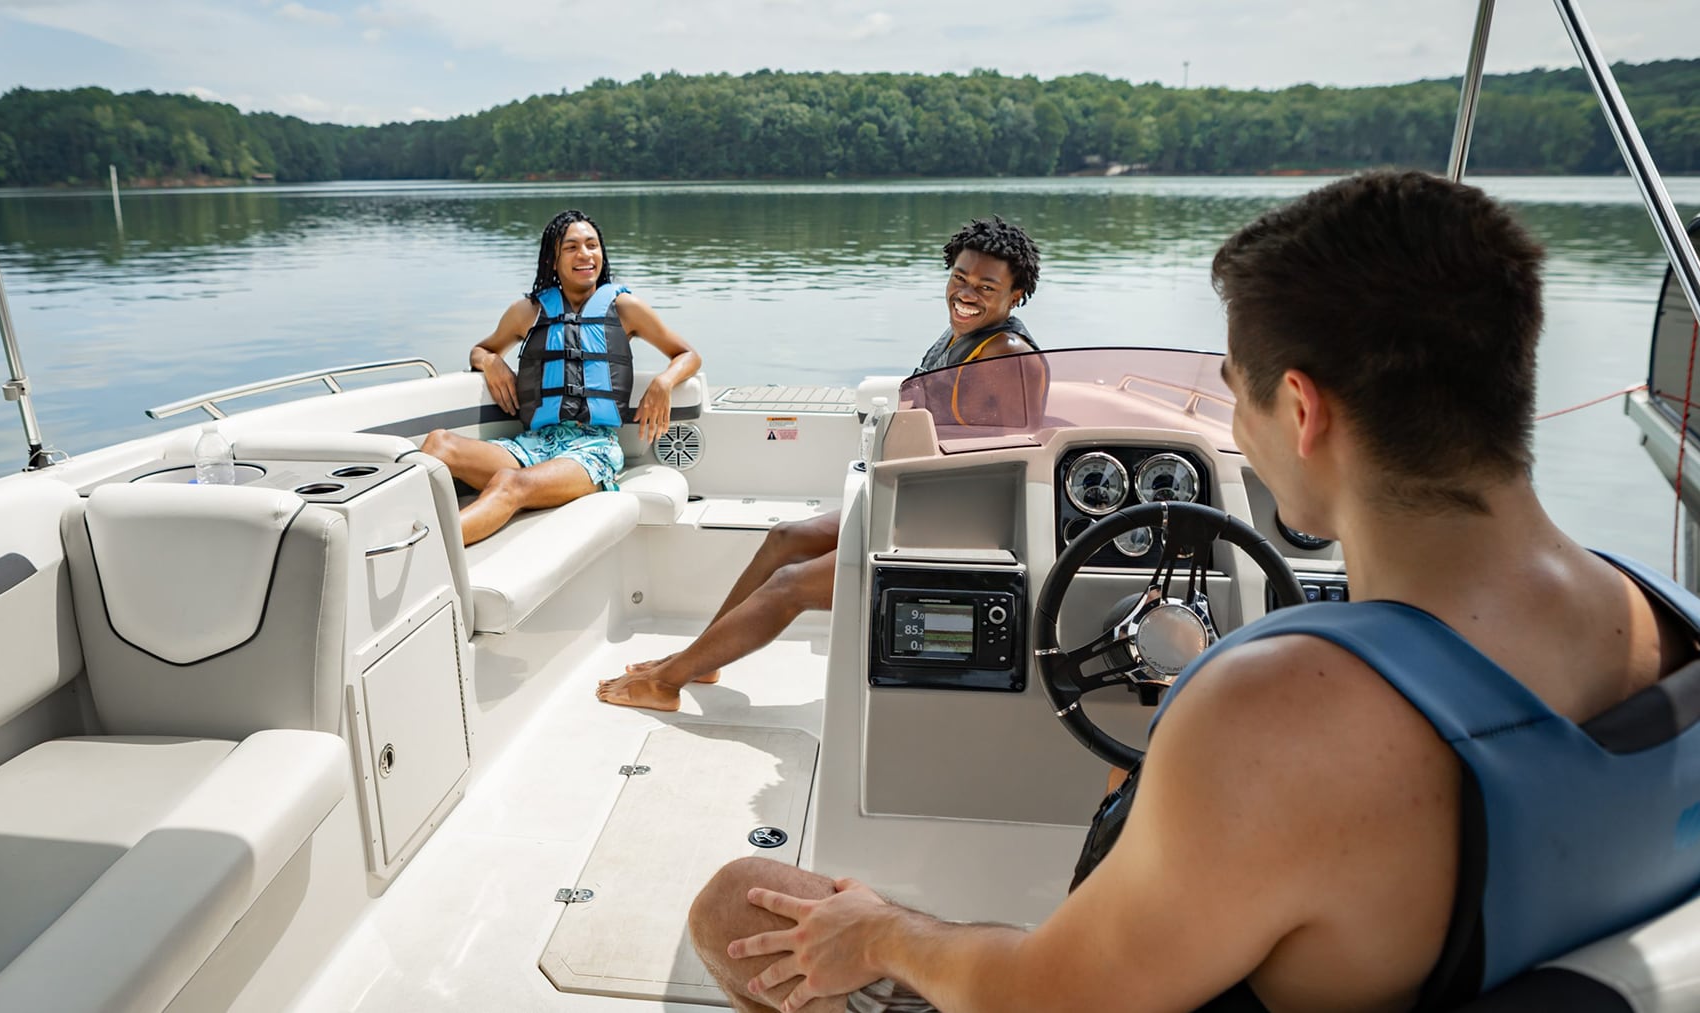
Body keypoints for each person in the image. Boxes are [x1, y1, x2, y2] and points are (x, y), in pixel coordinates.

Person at [685, 170, 1700, 1012]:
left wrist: (892, 932)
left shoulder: (1271, 718)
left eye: (1235, 388)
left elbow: (1049, 991)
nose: (1236, 420)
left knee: (738, 902)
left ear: (1299, 408)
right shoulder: (1667, 622)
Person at [596, 216, 1042, 711]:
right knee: (787, 537)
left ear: (1016, 294)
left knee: (791, 585)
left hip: (955, 530)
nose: (966, 293)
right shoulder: (966, 337)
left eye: (986, 286)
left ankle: (668, 681)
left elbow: (1006, 469)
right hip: (919, 505)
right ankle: (704, 656)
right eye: (959, 278)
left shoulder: (1005, 358)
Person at [422, 210, 700, 545]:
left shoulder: (626, 308)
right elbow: (480, 350)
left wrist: (664, 382)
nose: (585, 254)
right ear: (552, 260)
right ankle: (385, 530)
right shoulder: (528, 312)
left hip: (592, 450)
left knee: (511, 483)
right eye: (571, 248)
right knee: (440, 444)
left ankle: (427, 553)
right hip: (533, 444)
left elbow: (688, 354)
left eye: (592, 245)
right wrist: (491, 360)